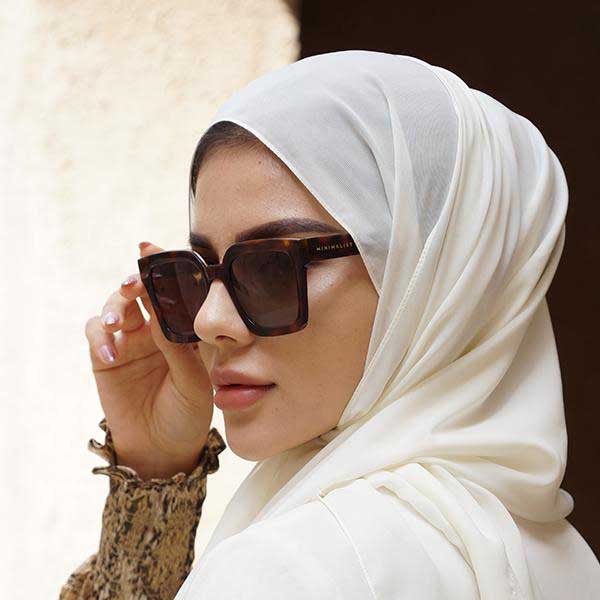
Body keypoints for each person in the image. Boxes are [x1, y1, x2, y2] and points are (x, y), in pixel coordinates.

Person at [60, 50, 600, 599]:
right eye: (197, 272)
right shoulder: (559, 559)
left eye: (272, 266)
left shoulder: (289, 569)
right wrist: (155, 470)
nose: (208, 321)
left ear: (429, 272)